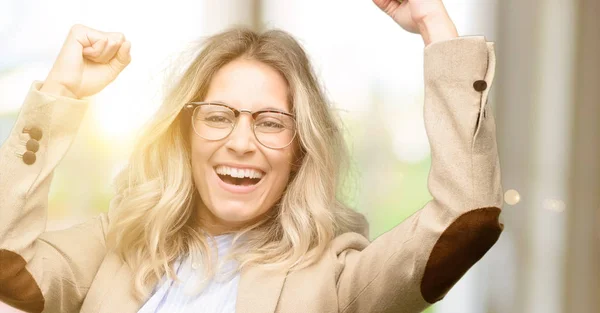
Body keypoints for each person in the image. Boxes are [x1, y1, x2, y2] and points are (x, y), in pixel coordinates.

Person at [0, 0, 504, 312]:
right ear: (185, 134)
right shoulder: (118, 245)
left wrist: (434, 23)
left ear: (300, 150)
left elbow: (467, 219)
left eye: (269, 122)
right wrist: (61, 93)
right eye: (218, 115)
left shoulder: (336, 280)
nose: (241, 142)